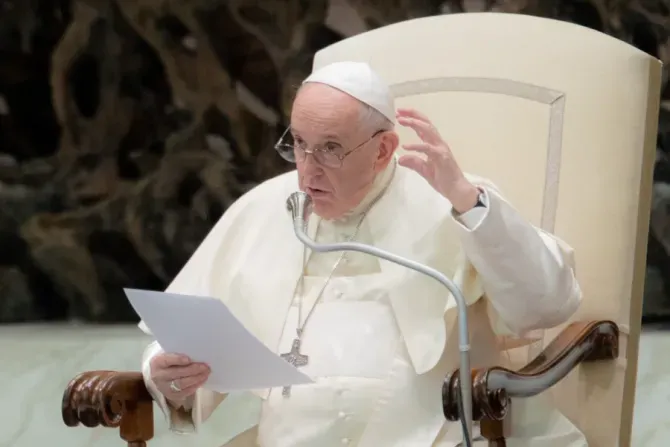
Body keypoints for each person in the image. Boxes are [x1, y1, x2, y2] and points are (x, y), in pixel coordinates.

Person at [139, 61, 586, 446]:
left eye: (331, 149)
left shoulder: (450, 198)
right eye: (298, 144)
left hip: (430, 435)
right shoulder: (264, 208)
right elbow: (187, 329)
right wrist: (165, 371)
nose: (307, 172)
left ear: (383, 149)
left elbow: (544, 305)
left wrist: (470, 205)